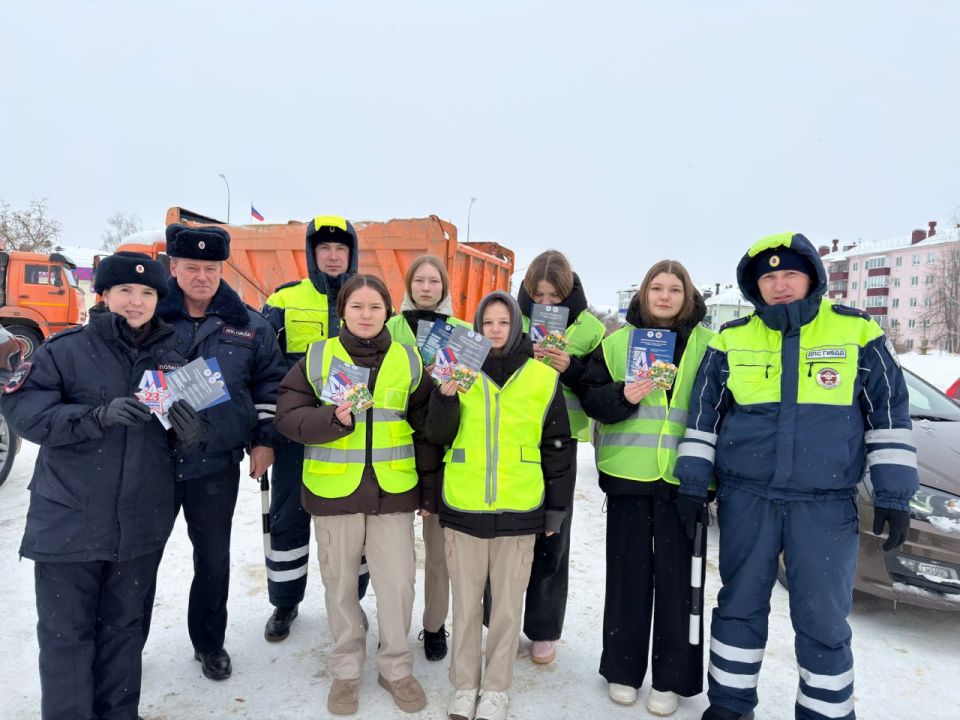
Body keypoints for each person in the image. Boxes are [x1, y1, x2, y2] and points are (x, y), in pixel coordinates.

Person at [674, 233, 918, 720]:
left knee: (823, 620)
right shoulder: (731, 339)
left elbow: (889, 414)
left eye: (789, 274)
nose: (779, 285)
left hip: (824, 504)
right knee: (738, 607)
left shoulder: (858, 333)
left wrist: (893, 494)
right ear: (755, 286)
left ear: (812, 278)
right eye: (768, 277)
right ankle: (728, 706)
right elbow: (704, 417)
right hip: (748, 499)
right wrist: (693, 484)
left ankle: (825, 713)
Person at [1, 252, 191, 719]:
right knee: (67, 636)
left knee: (124, 631)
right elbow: (26, 416)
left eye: (147, 293)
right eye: (125, 290)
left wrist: (195, 431)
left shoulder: (172, 358)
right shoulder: (63, 350)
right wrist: (94, 417)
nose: (136, 301)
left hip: (139, 523)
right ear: (103, 295)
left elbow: (184, 433)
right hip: (70, 520)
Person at [274, 274, 436, 716]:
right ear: (343, 310)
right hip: (335, 493)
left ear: (389, 312)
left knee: (397, 586)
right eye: (357, 307)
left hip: (394, 492)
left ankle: (396, 668)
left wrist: (428, 488)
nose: (366, 315)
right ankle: (346, 670)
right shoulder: (319, 355)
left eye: (376, 307)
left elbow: (425, 431)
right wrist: (333, 422)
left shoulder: (409, 359)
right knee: (340, 586)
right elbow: (288, 416)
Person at [426, 290, 573, 720]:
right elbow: (436, 435)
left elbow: (558, 450)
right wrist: (446, 395)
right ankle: (462, 684)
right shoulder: (456, 370)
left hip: (519, 508)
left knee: (508, 608)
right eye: (487, 323)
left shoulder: (542, 378)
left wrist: (556, 511)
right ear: (477, 326)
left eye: (503, 322)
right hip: (464, 507)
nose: (494, 330)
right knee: (466, 605)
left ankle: (495, 689)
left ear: (516, 327)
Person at [153, 223, 285, 681]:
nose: (202, 276)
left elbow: (268, 383)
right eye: (192, 267)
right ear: (174, 267)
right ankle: (122, 645)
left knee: (212, 559)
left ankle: (209, 643)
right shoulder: (148, 316)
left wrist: (265, 440)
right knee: (137, 559)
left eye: (211, 268)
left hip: (215, 462)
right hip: (151, 461)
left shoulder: (249, 323)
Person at [581, 260, 711, 716]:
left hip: (684, 481)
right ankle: (622, 669)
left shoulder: (709, 347)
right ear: (643, 294)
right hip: (629, 477)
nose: (664, 296)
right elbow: (592, 398)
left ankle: (671, 677)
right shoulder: (616, 344)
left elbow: (721, 412)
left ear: (687, 297)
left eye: (674, 289)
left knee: (679, 586)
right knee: (627, 579)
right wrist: (625, 396)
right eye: (656, 287)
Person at [261, 215, 369, 641]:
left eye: (340, 249)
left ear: (351, 254)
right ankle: (285, 602)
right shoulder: (284, 299)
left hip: (349, 433)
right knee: (288, 514)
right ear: (311, 253)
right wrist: (266, 436)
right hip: (295, 433)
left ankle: (354, 600)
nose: (332, 255)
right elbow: (266, 370)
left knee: (351, 516)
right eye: (324, 248)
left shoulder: (368, 299)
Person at [515, 249, 605, 666]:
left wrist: (569, 367)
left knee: (553, 535)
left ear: (568, 293)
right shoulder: (516, 318)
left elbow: (596, 388)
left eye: (554, 296)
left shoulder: (590, 329)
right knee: (508, 532)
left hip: (561, 441)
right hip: (516, 436)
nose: (547, 304)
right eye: (539, 295)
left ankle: (544, 628)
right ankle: (498, 619)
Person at [385, 254, 469, 662]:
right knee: (395, 556)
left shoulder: (464, 333)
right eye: (419, 280)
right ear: (408, 285)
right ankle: (392, 628)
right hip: (397, 449)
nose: (426, 287)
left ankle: (435, 626)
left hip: (444, 449)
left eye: (434, 281)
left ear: (445, 288)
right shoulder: (388, 328)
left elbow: (476, 393)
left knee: (439, 554)